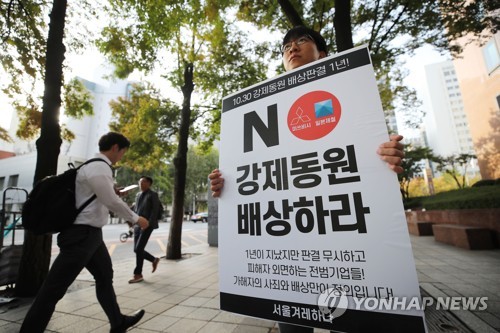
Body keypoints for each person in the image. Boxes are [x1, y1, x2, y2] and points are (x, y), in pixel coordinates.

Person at [209, 26, 405, 333]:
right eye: (286, 45)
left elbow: (368, 159)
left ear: (323, 54)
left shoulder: (352, 95)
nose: (292, 48)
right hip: (293, 254)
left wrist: (386, 158)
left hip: (346, 249)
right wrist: (229, 186)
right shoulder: (260, 108)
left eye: (302, 41)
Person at [20, 132, 149, 333]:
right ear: (116, 147)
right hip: (82, 235)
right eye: (122, 152)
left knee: (105, 276)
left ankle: (118, 322)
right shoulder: (99, 166)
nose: (121, 156)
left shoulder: (93, 166)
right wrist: (136, 218)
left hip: (92, 236)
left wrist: (113, 191)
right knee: (52, 290)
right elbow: (111, 202)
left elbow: (98, 196)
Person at [128, 176, 161, 283]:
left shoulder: (153, 195)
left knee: (138, 249)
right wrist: (133, 222)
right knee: (137, 250)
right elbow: (136, 210)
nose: (140, 184)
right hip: (138, 224)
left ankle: (138, 274)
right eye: (139, 182)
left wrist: (148, 224)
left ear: (149, 183)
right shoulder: (138, 195)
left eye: (143, 182)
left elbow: (155, 211)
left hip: (147, 225)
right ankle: (153, 260)